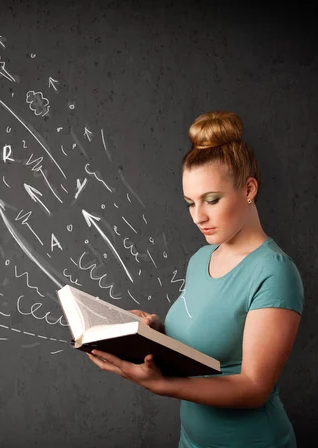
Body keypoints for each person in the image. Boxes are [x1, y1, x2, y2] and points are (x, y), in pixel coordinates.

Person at [86, 111, 304, 448]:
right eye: (190, 203)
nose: (198, 217)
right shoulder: (202, 258)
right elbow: (205, 339)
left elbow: (253, 389)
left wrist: (160, 385)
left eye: (211, 200)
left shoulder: (275, 273)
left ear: (249, 189)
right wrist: (154, 331)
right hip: (191, 441)